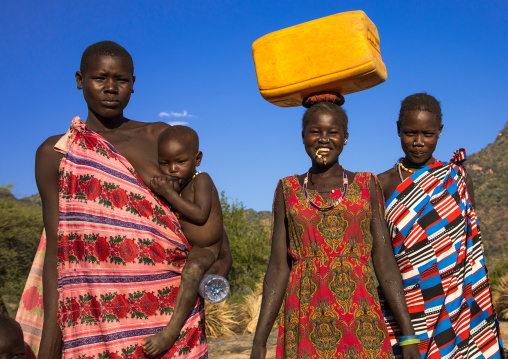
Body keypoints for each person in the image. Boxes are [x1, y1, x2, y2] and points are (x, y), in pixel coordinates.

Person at [15, 41, 232, 359]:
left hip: (169, 317)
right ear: (80, 80)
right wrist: (50, 346)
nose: (112, 88)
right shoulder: (57, 153)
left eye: (122, 80)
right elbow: (58, 255)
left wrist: (214, 275)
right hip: (95, 319)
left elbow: (211, 226)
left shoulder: (160, 138)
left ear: (133, 85)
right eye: (100, 78)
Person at [251, 94, 421, 359]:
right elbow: (278, 267)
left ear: (345, 137)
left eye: (333, 132)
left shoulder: (366, 184)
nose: (323, 139)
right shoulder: (288, 189)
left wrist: (408, 334)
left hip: (360, 316)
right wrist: (259, 341)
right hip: (304, 317)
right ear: (303, 136)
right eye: (315, 131)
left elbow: (384, 260)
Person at [377, 93, 504, 358]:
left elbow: (470, 247)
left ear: (440, 132)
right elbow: (380, 253)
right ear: (397, 129)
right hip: (403, 302)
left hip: (454, 301)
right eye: (410, 133)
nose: (419, 142)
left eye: (428, 134)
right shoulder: (381, 184)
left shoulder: (457, 180)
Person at [141, 125, 223, 355]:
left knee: (193, 269)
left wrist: (168, 194)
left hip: (207, 248)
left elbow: (199, 214)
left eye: (180, 162)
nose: (172, 169)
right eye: (165, 163)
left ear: (197, 158)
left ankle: (170, 332)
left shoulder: (202, 180)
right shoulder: (180, 186)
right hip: (190, 246)